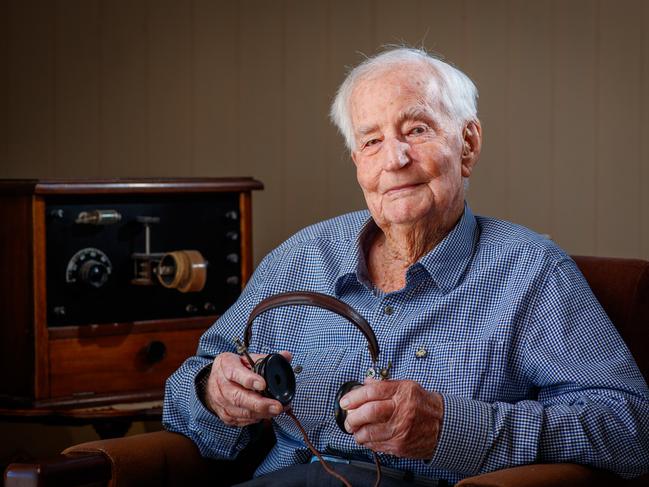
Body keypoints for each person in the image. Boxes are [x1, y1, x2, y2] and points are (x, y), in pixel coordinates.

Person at [163, 48, 649, 485]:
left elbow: (630, 426)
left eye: (416, 130)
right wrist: (212, 394)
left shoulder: (532, 272)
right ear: (357, 162)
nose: (393, 160)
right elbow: (185, 393)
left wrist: (452, 429)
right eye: (371, 141)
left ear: (468, 144)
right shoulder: (300, 258)